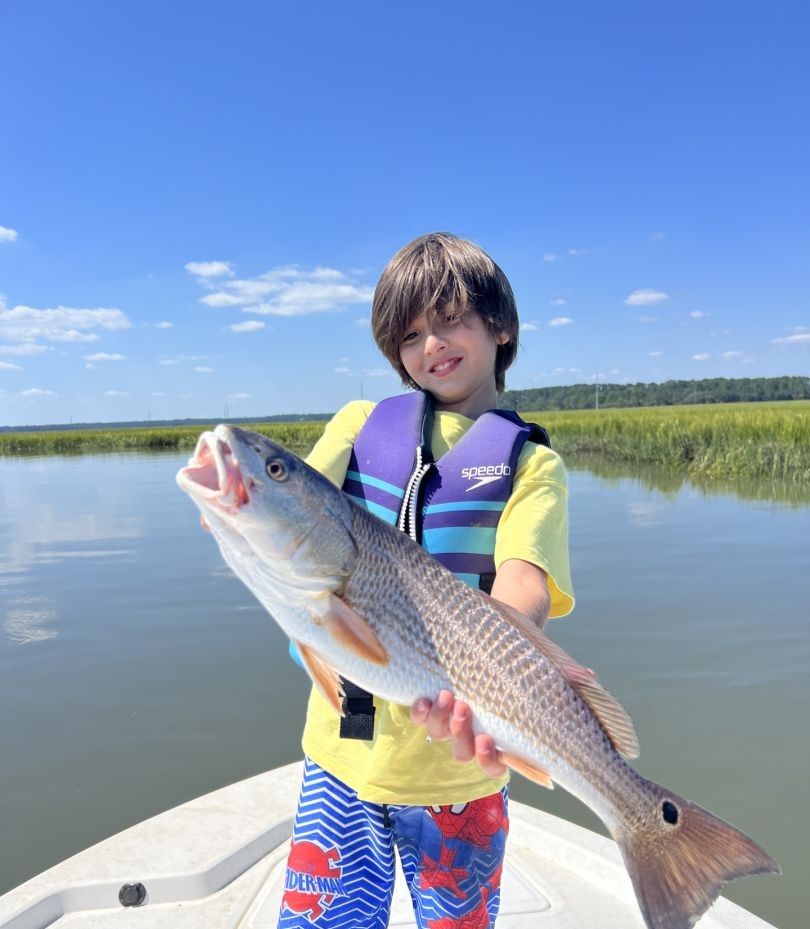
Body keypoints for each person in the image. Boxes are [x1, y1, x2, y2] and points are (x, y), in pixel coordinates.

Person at [278, 232, 577, 929]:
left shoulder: (532, 466)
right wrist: (238, 508)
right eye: (410, 334)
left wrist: (481, 678)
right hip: (340, 760)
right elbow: (293, 509)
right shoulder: (359, 425)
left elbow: (525, 583)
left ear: (499, 325)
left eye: (450, 320)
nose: (431, 345)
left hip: (460, 776)